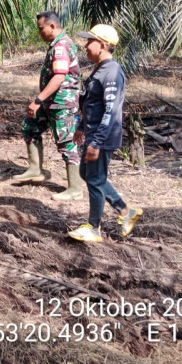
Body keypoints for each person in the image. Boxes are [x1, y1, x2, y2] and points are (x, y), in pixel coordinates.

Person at [68, 24, 142, 243]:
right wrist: (81, 126)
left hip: (102, 136)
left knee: (95, 178)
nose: (85, 46)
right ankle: (125, 211)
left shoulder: (112, 72)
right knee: (88, 174)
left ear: (102, 45)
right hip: (93, 133)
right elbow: (92, 103)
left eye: (89, 42)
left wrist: (96, 142)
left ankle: (94, 227)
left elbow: (110, 110)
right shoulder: (100, 69)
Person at [13, 11, 83, 201]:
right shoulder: (57, 44)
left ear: (52, 26)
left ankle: (75, 188)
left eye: (41, 28)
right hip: (51, 102)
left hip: (62, 103)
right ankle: (36, 169)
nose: (39, 32)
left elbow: (60, 76)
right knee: (30, 126)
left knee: (67, 142)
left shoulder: (61, 46)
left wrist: (38, 100)